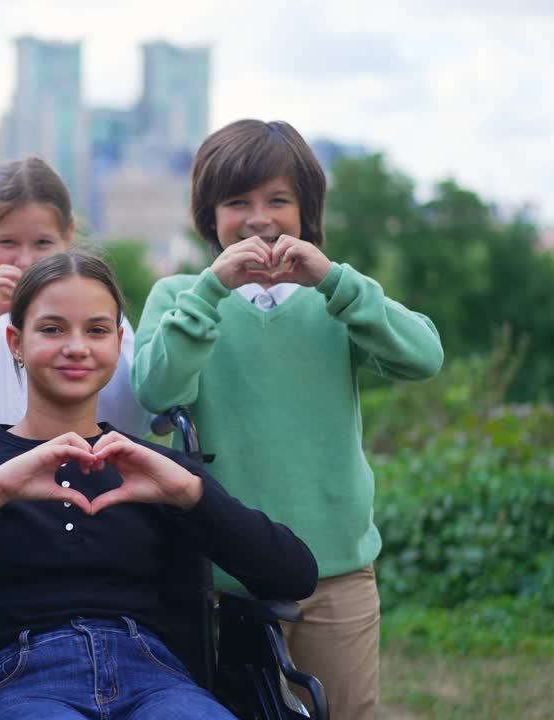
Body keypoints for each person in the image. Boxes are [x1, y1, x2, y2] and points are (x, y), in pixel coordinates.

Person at [0, 250, 317, 720]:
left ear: (118, 343)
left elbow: (295, 577)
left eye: (96, 330)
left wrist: (193, 495)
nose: (77, 346)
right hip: (21, 682)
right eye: (52, 329)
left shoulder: (156, 470)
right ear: (16, 341)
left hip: (158, 679)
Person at [131, 119, 445, 720]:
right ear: (209, 214)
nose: (259, 219)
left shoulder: (337, 299)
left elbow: (424, 356)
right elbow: (156, 394)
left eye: (279, 200)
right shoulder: (180, 295)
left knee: (345, 709)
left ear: (307, 212)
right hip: (219, 575)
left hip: (337, 567)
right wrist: (210, 292)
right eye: (237, 203)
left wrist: (333, 280)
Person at [0, 157, 150, 454]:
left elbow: (128, 425)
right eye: (7, 242)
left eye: (42, 243)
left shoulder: (104, 323)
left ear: (68, 236)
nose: (25, 260)